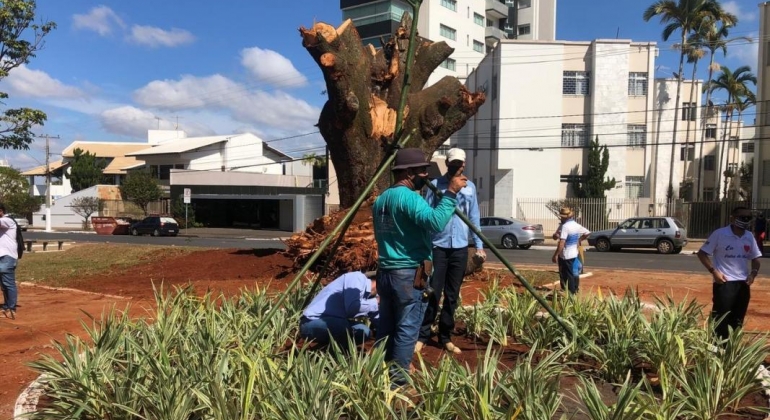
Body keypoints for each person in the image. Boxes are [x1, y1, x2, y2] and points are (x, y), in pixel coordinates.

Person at [373, 147, 466, 386]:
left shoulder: (381, 200)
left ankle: (381, 371)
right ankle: (398, 382)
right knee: (407, 327)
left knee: (387, 325)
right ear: (409, 172)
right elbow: (435, 222)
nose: (425, 176)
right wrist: (451, 193)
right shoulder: (409, 198)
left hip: (385, 272)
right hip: (407, 274)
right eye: (422, 171)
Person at [417, 147, 485, 355]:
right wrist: (426, 247)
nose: (456, 166)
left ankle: (445, 336)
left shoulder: (470, 187)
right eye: (453, 163)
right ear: (447, 163)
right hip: (438, 245)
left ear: (464, 164)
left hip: (460, 247)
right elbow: (428, 215)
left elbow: (473, 217)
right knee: (433, 292)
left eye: (459, 163)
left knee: (452, 294)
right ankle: (423, 335)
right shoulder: (435, 185)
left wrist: (479, 246)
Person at [697, 206, 761, 340]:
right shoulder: (720, 234)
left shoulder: (749, 236)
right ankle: (716, 352)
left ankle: (731, 353)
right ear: (732, 218)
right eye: (742, 217)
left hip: (743, 284)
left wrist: (753, 274)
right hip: (724, 283)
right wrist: (714, 272)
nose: (745, 220)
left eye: (748, 218)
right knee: (720, 320)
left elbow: (756, 259)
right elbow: (702, 253)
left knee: (737, 320)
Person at [299, 270, 379, 347]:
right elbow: (352, 307)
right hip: (311, 322)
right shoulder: (357, 279)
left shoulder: (370, 296)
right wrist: (378, 301)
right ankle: (337, 355)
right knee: (343, 326)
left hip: (335, 323)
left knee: (364, 331)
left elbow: (378, 319)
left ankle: (326, 348)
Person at [551, 207, 590, 294]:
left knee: (567, 274)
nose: (561, 218)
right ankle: (570, 290)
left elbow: (562, 242)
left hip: (565, 254)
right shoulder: (575, 225)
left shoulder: (565, 226)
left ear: (565, 217)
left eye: (562, 216)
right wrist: (579, 240)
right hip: (573, 253)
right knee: (569, 273)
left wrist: (555, 255)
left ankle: (571, 292)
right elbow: (587, 233)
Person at [0, 203, 18, 319]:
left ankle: (11, 308)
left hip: (7, 257)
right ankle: (6, 306)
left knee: (8, 283)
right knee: (3, 284)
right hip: (2, 256)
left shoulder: (7, 220)